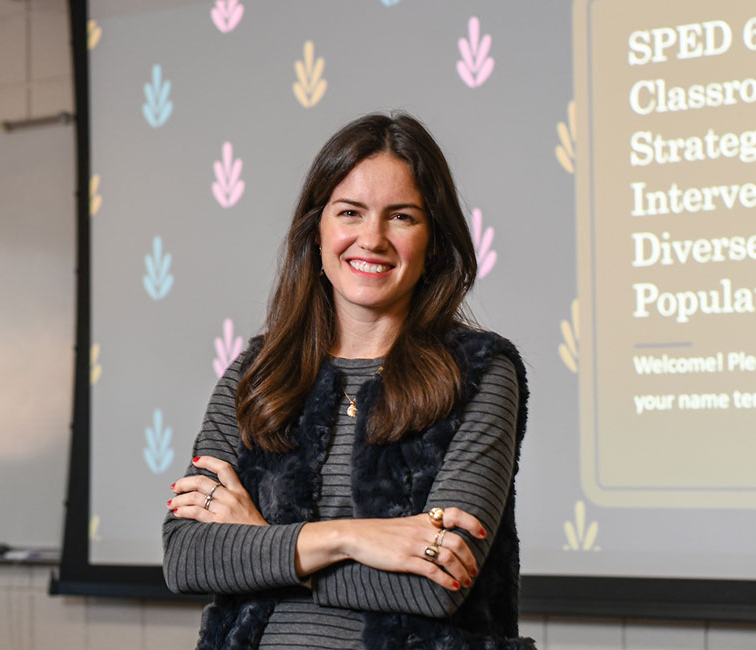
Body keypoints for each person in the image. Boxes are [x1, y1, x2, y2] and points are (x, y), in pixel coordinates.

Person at [163, 112, 534, 650]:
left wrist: (265, 548)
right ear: (318, 230)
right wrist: (350, 537)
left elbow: (440, 583)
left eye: (402, 216)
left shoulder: (479, 374)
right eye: (350, 213)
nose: (372, 238)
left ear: (433, 240)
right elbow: (187, 556)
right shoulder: (257, 374)